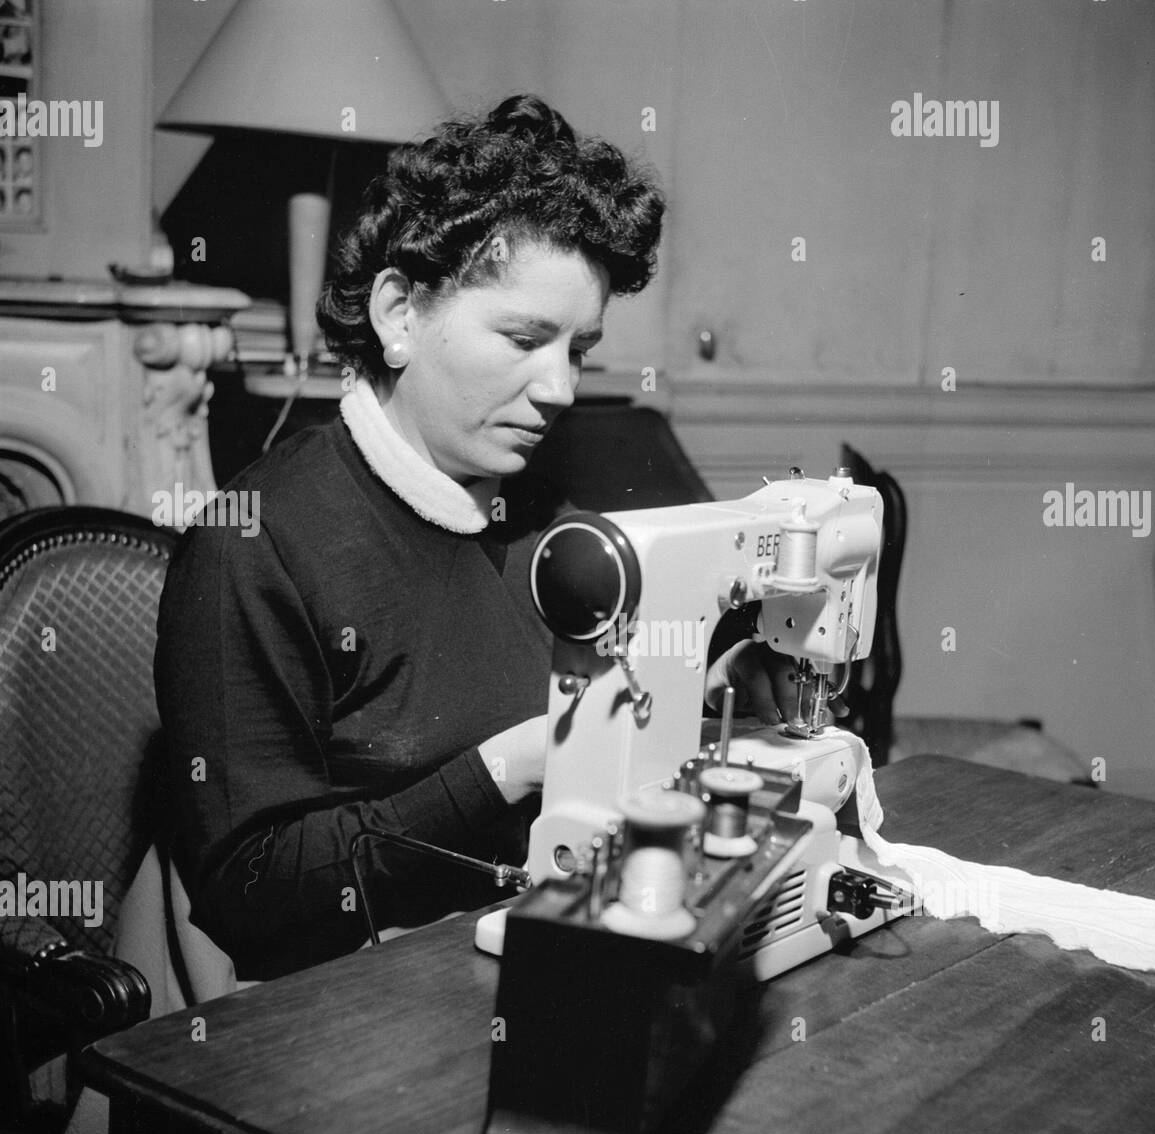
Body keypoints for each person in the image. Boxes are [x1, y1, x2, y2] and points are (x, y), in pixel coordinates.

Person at [154, 94, 804, 983]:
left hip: (512, 949)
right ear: (398, 314)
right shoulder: (254, 544)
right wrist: (506, 768)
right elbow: (253, 893)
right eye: (523, 338)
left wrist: (710, 695)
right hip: (337, 1004)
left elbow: (606, 720)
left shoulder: (552, 515)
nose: (561, 390)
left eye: (577, 350)